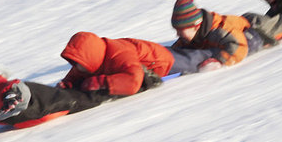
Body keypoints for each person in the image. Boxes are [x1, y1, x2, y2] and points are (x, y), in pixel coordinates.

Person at [57, 31, 210, 96]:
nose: (77, 67)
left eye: (78, 62)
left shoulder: (118, 54)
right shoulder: (92, 59)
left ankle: (220, 52)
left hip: (163, 61)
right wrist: (67, 83)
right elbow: (78, 71)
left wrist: (101, 82)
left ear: (91, 55)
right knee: (186, 52)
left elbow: (133, 80)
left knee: (196, 61)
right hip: (145, 53)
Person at [169, 0, 269, 68]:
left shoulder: (217, 31)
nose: (177, 34)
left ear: (196, 26)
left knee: (252, 41)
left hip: (251, 29)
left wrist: (219, 61)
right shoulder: (190, 35)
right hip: (235, 31)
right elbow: (177, 50)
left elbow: (239, 45)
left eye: (180, 30)